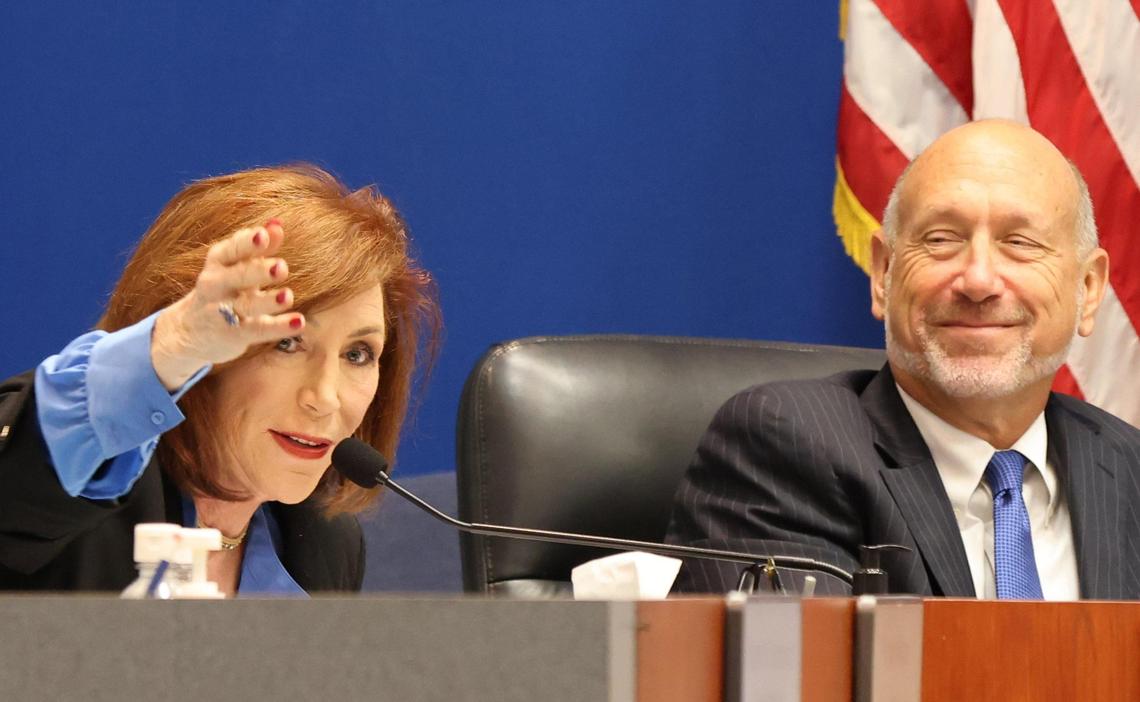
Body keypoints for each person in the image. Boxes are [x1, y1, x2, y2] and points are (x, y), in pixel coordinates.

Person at [665, 119, 1140, 599]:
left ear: (1089, 289)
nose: (978, 280)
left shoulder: (1130, 470)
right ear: (883, 274)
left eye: (1019, 243)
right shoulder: (784, 447)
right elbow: (788, 670)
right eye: (940, 239)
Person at [0, 164, 439, 596]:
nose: (324, 398)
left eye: (357, 354)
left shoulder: (326, 547)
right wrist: (172, 344)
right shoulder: (84, 484)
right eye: (286, 343)